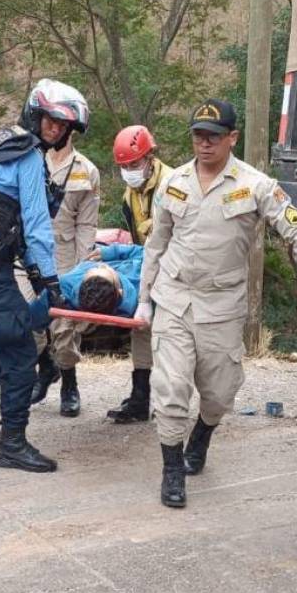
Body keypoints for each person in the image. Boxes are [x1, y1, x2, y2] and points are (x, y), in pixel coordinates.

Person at [137, 99, 297, 509]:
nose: (205, 144)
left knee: (218, 395)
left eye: (214, 136)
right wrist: (145, 299)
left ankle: (203, 433)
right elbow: (156, 244)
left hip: (222, 307)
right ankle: (172, 469)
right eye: (198, 135)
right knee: (171, 389)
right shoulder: (173, 182)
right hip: (175, 300)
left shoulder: (256, 186)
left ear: (232, 138)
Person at [0, 80, 86, 472]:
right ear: (35, 114)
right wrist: (51, 281)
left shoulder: (5, 143)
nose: (56, 130)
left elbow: (13, 226)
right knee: (22, 349)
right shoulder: (27, 157)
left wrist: (39, 277)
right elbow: (37, 225)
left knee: (4, 335)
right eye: (51, 121)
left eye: (63, 126)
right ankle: (12, 443)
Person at [26, 101, 98, 417]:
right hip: (27, 252)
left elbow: (87, 224)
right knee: (27, 315)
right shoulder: (29, 157)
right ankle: (45, 368)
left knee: (65, 323)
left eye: (63, 124)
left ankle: (69, 382)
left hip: (65, 252)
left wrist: (84, 267)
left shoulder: (86, 170)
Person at [106, 125, 171, 425]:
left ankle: (171, 398)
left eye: (134, 164)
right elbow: (136, 244)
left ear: (149, 158)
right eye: (124, 167)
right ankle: (141, 397)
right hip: (150, 265)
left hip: (178, 267)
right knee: (141, 327)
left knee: (172, 335)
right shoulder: (128, 196)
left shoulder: (173, 185)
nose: (129, 171)